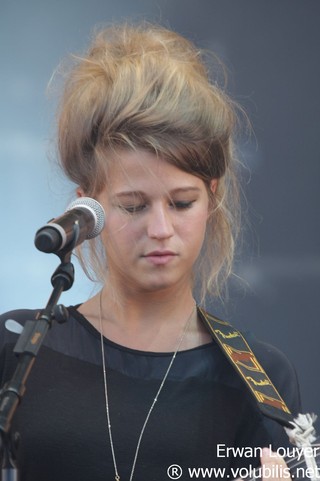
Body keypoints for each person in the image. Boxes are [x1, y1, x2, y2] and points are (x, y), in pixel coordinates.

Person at [0, 23, 302, 481]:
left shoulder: (260, 379)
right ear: (88, 206)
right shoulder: (19, 349)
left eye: (182, 203)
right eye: (133, 206)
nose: (160, 229)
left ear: (213, 197)